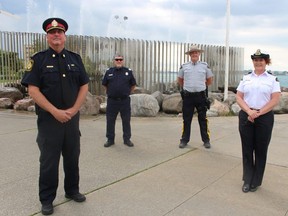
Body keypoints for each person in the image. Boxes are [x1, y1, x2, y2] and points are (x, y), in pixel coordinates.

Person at [21, 18, 89, 215]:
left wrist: (74, 109)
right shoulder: (39, 59)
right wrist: (55, 111)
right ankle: (47, 199)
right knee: (49, 162)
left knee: (72, 158)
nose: (56, 35)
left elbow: (84, 85)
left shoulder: (75, 59)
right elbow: (33, 90)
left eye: (60, 32)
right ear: (47, 37)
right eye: (52, 32)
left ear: (65, 36)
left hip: (71, 119)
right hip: (49, 121)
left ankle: (72, 190)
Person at [236, 49, 281, 193]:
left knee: (261, 150)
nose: (258, 62)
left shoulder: (272, 79)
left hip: (264, 116)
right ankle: (247, 180)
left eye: (261, 60)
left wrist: (259, 113)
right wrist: (249, 111)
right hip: (246, 115)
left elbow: (275, 99)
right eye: (255, 60)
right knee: (247, 149)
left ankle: (256, 181)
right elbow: (239, 97)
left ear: (266, 62)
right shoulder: (246, 78)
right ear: (253, 62)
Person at [178, 45, 213, 149]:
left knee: (203, 119)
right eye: (192, 53)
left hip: (201, 96)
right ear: (190, 55)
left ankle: (206, 140)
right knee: (186, 119)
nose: (194, 54)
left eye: (196, 52)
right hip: (188, 97)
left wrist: (200, 86)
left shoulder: (204, 66)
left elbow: (209, 80)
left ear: (199, 54)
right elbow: (180, 80)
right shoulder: (184, 66)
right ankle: (184, 140)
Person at [102, 54, 136, 147]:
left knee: (126, 121)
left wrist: (127, 92)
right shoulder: (109, 72)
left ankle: (127, 139)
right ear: (114, 61)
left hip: (124, 101)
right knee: (110, 121)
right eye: (117, 59)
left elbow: (133, 84)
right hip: (112, 101)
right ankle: (110, 139)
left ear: (123, 61)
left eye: (120, 59)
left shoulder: (128, 72)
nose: (119, 61)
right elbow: (105, 84)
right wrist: (111, 91)